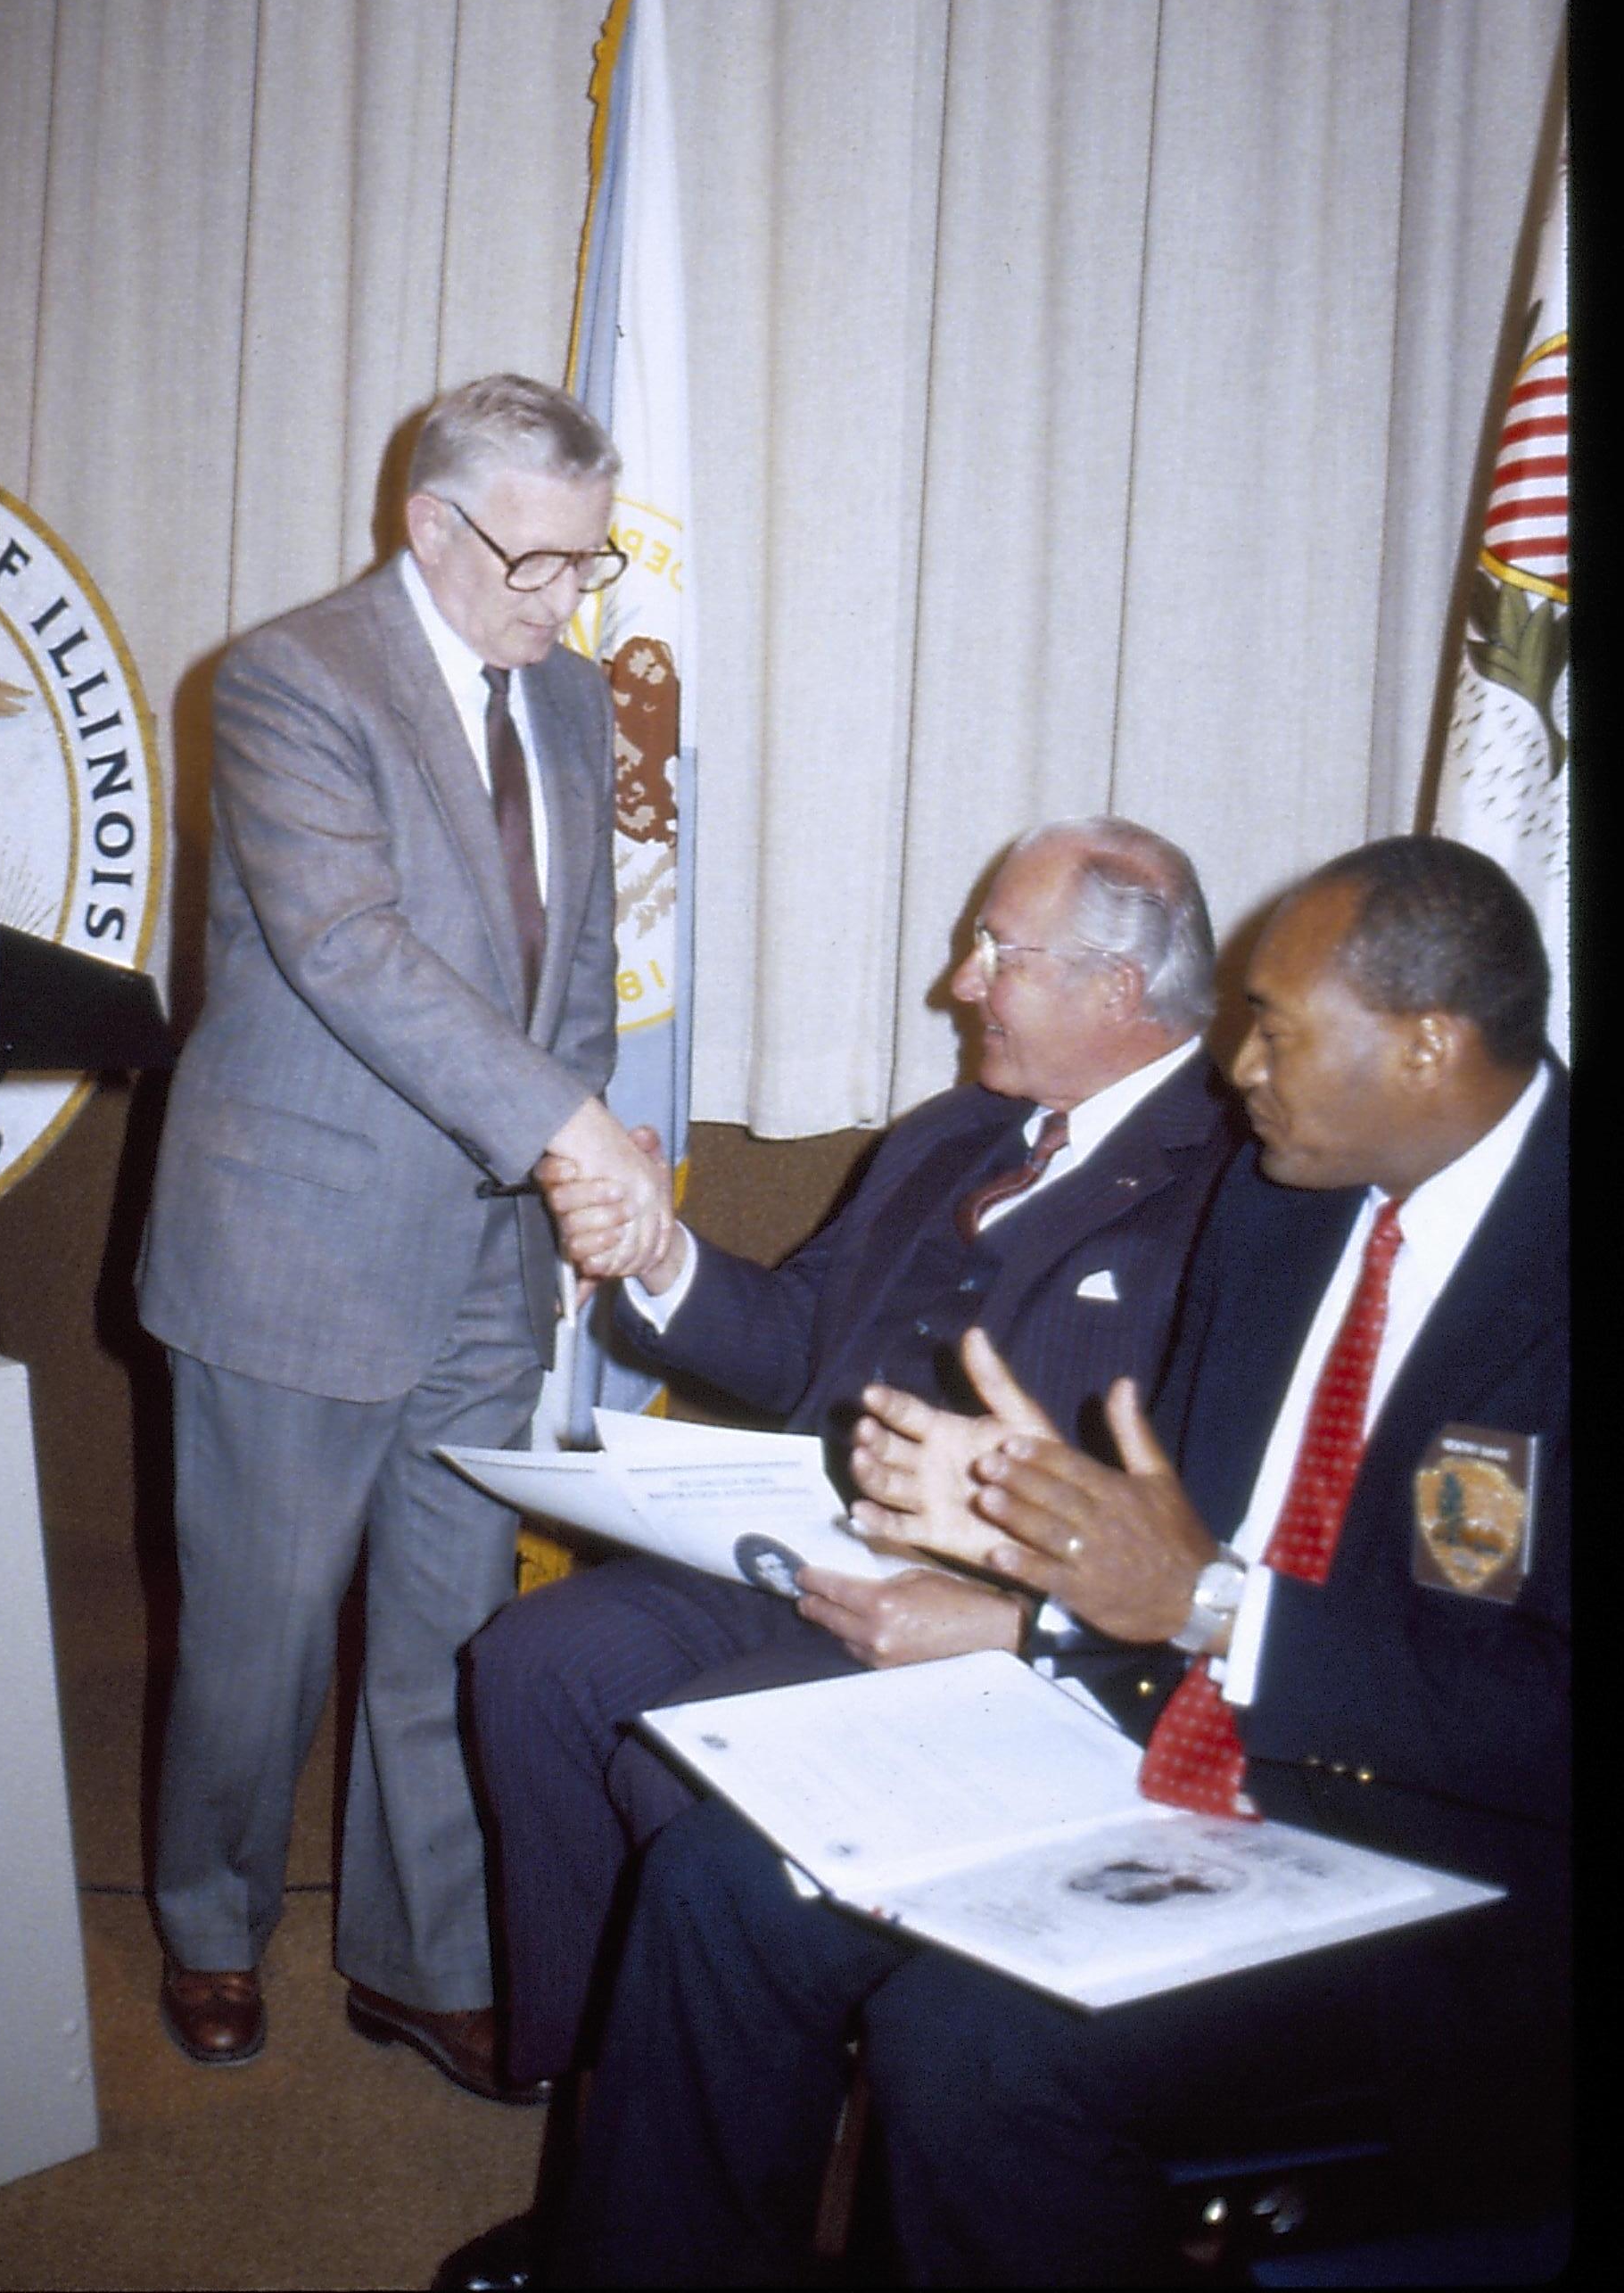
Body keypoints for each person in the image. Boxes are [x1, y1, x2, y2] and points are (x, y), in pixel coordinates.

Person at [527, 836, 1567, 2287]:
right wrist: (1015, 1532)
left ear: (1426, 1045)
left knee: (975, 2049)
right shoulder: (1284, 1204)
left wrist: (1210, 1612)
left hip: (1445, 1869)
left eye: (1273, 1025)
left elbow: (1534, 1713)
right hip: (1163, 1742)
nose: (1237, 1062)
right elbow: (1171, 1536)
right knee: (720, 1880)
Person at [466, 818, 1244, 2090]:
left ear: (1120, 989)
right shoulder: (951, 1133)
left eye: (1002, 952)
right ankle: (591, 2074)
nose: (961, 984)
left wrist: (1010, 1595)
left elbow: (1200, 1490)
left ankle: (733, 2100)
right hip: (798, 1545)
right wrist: (661, 1255)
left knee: (685, 1755)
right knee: (537, 1661)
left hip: (989, 1614)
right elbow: (796, 1347)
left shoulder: (1234, 1183)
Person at [136, 375, 670, 2096]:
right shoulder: (292, 679)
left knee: (453, 1630)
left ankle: (419, 1957)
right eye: (536, 563)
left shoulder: (574, 699)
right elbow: (352, 946)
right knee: (263, 1631)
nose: (564, 599)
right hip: (295, 1243)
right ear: (430, 525)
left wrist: (572, 1158)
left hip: (485, 1256)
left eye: (588, 566)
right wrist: (566, 1124)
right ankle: (212, 1928)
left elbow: (573, 964)